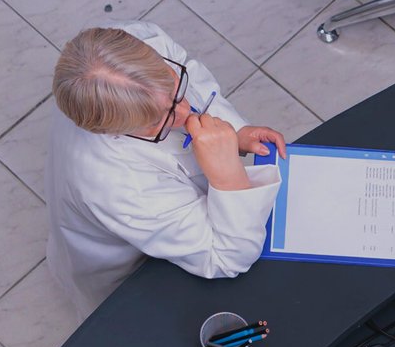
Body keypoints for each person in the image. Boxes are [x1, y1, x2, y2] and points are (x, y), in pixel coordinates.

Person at [46, 22, 288, 316]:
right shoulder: (117, 184)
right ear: (112, 130)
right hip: (119, 259)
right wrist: (228, 178)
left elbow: (192, 73)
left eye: (176, 90)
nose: (187, 113)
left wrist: (234, 130)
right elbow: (226, 258)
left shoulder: (128, 47)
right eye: (157, 121)